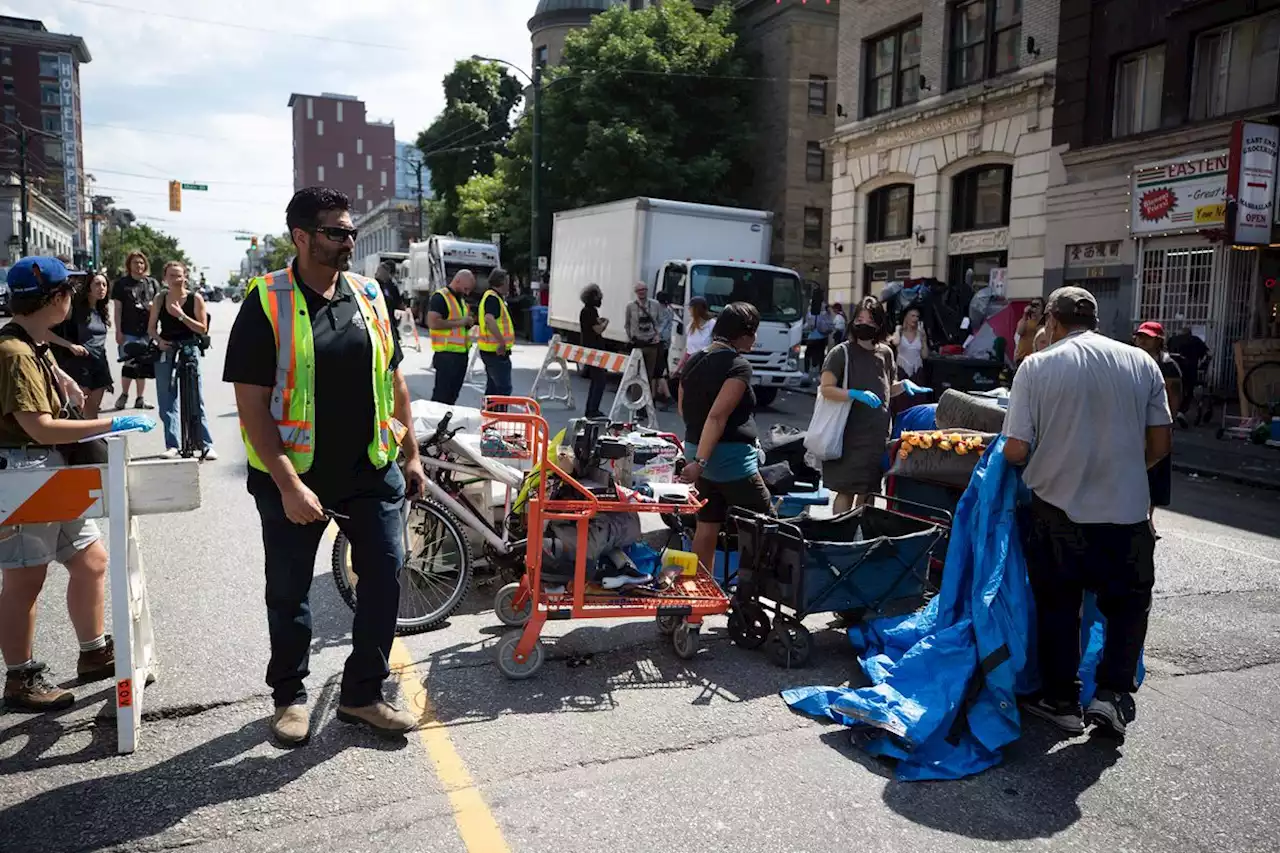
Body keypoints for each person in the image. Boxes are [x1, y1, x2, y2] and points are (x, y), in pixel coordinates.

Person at [224, 187, 425, 746]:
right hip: (295, 475)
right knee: (289, 591)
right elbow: (252, 405)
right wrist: (288, 484)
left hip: (370, 469)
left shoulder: (369, 294)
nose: (349, 241)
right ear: (302, 237)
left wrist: (409, 454)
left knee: (385, 574)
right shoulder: (266, 301)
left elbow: (395, 378)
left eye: (351, 231)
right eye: (336, 232)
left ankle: (362, 694)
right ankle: (289, 695)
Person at [1003, 286, 1171, 741]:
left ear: (1052, 323)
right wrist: (1121, 469)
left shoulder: (1036, 367)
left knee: (1060, 607)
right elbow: (1159, 446)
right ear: (1094, 320)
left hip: (1058, 510)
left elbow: (1016, 449)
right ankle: (1112, 695)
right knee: (1128, 607)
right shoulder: (1143, 362)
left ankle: (1061, 700)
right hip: (1127, 513)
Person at [0, 257, 155, 712]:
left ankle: (93, 652)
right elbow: (41, 427)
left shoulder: (31, 340)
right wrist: (107, 423)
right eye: (67, 291)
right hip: (27, 472)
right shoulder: (13, 352)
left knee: (90, 560)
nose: (73, 296)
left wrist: (64, 366)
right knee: (25, 579)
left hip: (51, 471)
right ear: (55, 299)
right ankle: (20, 677)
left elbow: (44, 352)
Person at [677, 302, 773, 574]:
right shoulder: (738, 366)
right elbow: (716, 417)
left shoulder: (694, 361)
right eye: (753, 332)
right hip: (730, 464)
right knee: (765, 526)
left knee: (707, 525)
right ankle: (748, 592)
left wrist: (697, 459)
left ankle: (699, 594)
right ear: (742, 334)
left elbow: (685, 411)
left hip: (697, 455)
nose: (755, 339)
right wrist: (702, 462)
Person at [818, 296, 931, 514]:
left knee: (869, 491)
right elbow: (826, 388)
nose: (864, 324)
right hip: (849, 435)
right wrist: (854, 394)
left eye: (870, 321)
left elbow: (887, 387)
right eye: (860, 319)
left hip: (877, 437)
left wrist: (902, 386)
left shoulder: (886, 353)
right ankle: (841, 535)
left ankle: (859, 536)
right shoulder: (841, 353)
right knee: (847, 489)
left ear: (879, 324)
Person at [149, 261, 216, 460]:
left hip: (189, 348)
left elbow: (202, 328)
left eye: (179, 275)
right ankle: (172, 445)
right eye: (172, 276)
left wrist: (181, 316)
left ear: (185, 276)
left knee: (195, 397)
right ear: (165, 279)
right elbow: (151, 328)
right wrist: (159, 341)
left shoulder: (195, 298)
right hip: (166, 348)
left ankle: (205, 444)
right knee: (167, 399)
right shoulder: (160, 299)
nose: (176, 280)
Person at [1132, 321, 1181, 527]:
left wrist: (1167, 423)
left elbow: (1174, 396)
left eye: (1147, 337)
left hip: (1156, 424)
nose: (1142, 341)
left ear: (1158, 341)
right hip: (1135, 424)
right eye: (1140, 336)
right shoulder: (1131, 360)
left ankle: (1149, 517)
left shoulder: (1167, 365)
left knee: (1155, 473)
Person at [48, 272, 114, 418]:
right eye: (97, 284)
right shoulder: (73, 310)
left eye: (104, 285)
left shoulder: (101, 310)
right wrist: (69, 345)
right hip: (79, 365)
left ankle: (92, 441)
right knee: (77, 412)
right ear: (88, 287)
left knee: (92, 412)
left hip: (99, 365)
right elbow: (45, 331)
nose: (101, 288)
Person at [111, 250, 158, 411]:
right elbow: (117, 309)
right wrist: (118, 331)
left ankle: (140, 398)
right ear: (129, 265)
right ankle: (124, 395)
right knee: (129, 362)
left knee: (143, 365)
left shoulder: (152, 283)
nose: (138, 265)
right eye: (135, 263)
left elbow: (159, 307)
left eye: (141, 262)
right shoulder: (121, 284)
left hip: (147, 331)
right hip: (128, 330)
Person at [427, 269, 476, 405]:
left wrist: (468, 323)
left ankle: (444, 424)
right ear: (458, 280)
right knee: (441, 396)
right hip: (446, 355)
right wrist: (462, 322)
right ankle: (434, 423)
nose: (467, 293)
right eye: (466, 288)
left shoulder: (460, 300)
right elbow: (433, 322)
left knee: (452, 397)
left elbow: (459, 324)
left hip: (461, 355)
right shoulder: (440, 297)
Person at [477, 268, 515, 399]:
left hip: (491, 350)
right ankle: (498, 417)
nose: (509, 285)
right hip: (496, 351)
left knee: (493, 389)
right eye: (507, 281)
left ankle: (489, 416)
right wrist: (502, 342)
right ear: (501, 282)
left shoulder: (492, 297)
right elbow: (489, 319)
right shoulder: (493, 298)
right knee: (503, 390)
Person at [624, 282, 662, 399]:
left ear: (647, 290)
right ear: (635, 292)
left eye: (644, 289)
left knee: (649, 375)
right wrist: (631, 338)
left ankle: (646, 402)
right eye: (639, 290)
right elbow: (627, 324)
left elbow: (659, 322)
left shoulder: (655, 305)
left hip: (651, 345)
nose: (642, 292)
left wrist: (658, 335)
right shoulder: (630, 306)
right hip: (637, 344)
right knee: (636, 374)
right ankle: (636, 401)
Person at [1166, 326, 1209, 427]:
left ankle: (1170, 412)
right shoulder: (1196, 340)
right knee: (1189, 390)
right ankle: (1181, 411)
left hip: (1173, 370)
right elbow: (1206, 355)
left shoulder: (1173, 340)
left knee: (1171, 391)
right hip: (1189, 370)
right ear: (1190, 333)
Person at [579, 283, 610, 419]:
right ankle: (593, 409)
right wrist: (605, 323)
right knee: (600, 380)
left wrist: (599, 321)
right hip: (594, 349)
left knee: (596, 379)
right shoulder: (589, 311)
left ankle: (590, 409)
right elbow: (597, 329)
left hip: (590, 347)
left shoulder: (587, 311)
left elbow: (593, 324)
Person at [891, 306, 929, 380]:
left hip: (917, 370)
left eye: (917, 316)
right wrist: (897, 330)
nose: (915, 319)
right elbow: (895, 342)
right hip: (901, 369)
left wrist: (924, 339)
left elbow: (925, 356)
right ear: (906, 317)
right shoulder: (900, 331)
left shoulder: (920, 333)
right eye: (913, 316)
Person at [654, 291, 675, 407]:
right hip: (666, 344)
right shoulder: (670, 311)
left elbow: (660, 328)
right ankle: (660, 392)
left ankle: (667, 396)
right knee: (661, 368)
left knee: (658, 371)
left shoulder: (663, 312)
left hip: (660, 343)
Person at [803, 298, 832, 379]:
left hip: (812, 337)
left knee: (807, 355)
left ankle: (806, 373)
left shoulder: (811, 311)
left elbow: (809, 325)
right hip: (823, 337)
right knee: (821, 356)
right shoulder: (825, 310)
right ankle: (820, 374)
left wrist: (802, 329)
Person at [1014, 298, 1045, 366]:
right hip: (1022, 357)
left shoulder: (1045, 322)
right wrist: (1025, 314)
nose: (1034, 308)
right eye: (1032, 305)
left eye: (1037, 305)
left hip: (1037, 358)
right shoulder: (1025, 321)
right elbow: (1020, 331)